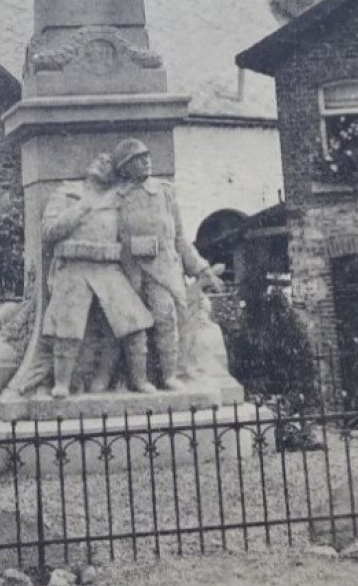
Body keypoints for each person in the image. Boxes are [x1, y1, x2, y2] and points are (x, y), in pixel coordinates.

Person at [38, 152, 157, 398]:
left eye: (109, 163)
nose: (103, 162)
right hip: (74, 266)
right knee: (67, 327)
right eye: (99, 159)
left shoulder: (118, 199)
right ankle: (62, 383)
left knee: (134, 322)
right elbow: (48, 231)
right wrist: (83, 206)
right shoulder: (66, 193)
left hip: (107, 267)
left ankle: (140, 380)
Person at [110, 139, 224, 390]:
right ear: (125, 167)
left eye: (147, 156)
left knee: (166, 317)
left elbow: (180, 238)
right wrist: (130, 249)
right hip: (131, 272)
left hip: (165, 269)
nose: (146, 161)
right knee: (133, 325)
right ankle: (136, 379)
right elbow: (108, 235)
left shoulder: (165, 191)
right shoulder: (117, 198)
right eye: (138, 159)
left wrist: (201, 268)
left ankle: (170, 375)